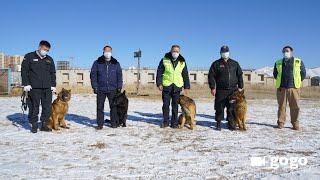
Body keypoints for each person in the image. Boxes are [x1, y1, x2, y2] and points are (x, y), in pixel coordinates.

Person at [21, 40, 56, 133]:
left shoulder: (49, 59)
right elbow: (24, 71)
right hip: (34, 88)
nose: (46, 51)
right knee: (34, 107)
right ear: (39, 47)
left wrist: (53, 85)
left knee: (47, 107)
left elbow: (53, 73)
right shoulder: (29, 57)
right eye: (45, 49)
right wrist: (26, 84)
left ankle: (44, 124)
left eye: (48, 50)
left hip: (47, 88)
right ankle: (34, 124)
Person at [208, 45, 244, 130]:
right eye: (223, 52)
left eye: (226, 52)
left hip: (233, 90)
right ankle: (218, 123)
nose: (225, 53)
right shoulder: (216, 64)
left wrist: (240, 86)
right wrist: (212, 87)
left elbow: (239, 75)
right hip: (221, 90)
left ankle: (231, 123)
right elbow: (211, 76)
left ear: (229, 52)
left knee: (231, 108)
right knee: (219, 107)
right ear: (220, 53)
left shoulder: (235, 63)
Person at [156, 45, 190, 128]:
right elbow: (159, 72)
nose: (175, 53)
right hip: (166, 86)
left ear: (179, 52)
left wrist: (187, 86)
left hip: (177, 87)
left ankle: (174, 123)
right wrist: (159, 83)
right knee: (165, 105)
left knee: (175, 106)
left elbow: (185, 74)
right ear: (171, 51)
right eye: (174, 51)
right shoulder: (164, 60)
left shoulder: (182, 62)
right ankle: (165, 122)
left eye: (177, 51)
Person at [273, 46, 306, 130]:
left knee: (295, 106)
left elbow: (303, 73)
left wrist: (297, 82)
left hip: (294, 88)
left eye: (287, 51)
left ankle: (295, 124)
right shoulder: (278, 62)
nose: (285, 53)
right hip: (282, 88)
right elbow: (275, 74)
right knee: (281, 106)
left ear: (291, 52)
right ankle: (280, 122)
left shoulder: (298, 62)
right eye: (284, 51)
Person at [90, 45, 123, 129]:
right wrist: (95, 86)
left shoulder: (116, 63)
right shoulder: (97, 63)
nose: (107, 53)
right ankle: (100, 124)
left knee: (113, 107)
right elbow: (93, 75)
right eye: (106, 51)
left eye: (109, 51)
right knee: (100, 107)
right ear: (103, 52)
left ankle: (113, 123)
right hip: (101, 89)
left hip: (113, 89)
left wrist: (119, 87)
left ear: (111, 52)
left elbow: (119, 76)